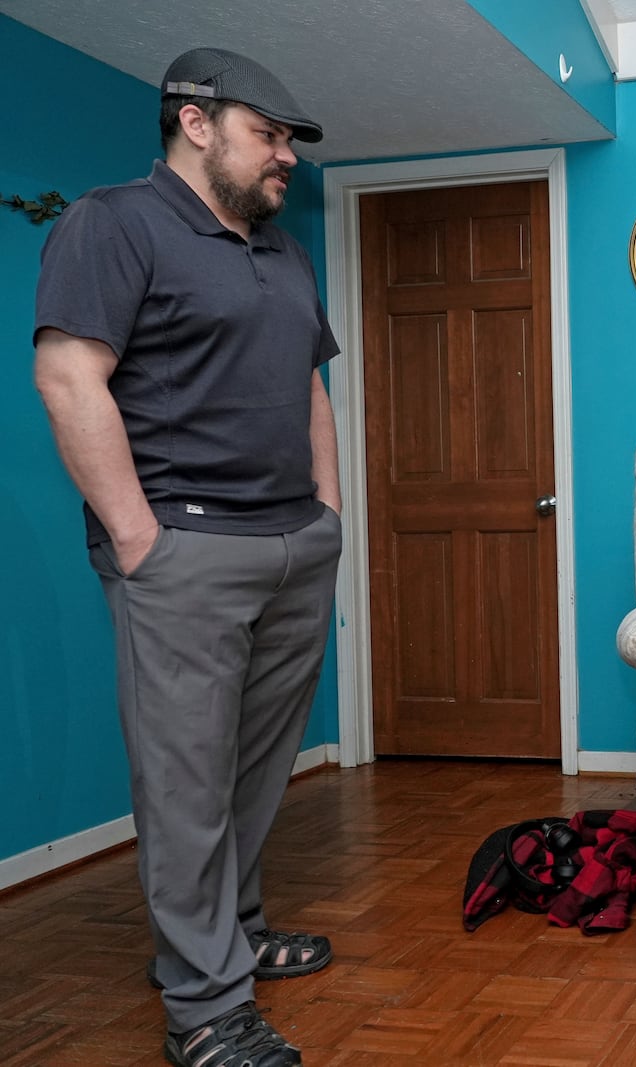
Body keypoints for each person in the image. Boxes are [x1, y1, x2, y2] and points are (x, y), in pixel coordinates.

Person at [32, 47, 342, 1067]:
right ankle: (206, 1006)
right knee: (187, 783)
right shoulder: (112, 223)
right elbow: (71, 376)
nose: (285, 155)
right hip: (186, 549)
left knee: (255, 774)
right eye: (271, 132)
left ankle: (230, 934)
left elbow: (308, 389)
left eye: (291, 140)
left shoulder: (281, 250)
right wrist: (139, 539)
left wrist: (327, 513)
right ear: (195, 122)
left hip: (293, 545)